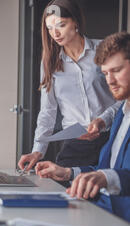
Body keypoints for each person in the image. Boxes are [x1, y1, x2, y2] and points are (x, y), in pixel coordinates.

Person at [36, 32, 130, 226]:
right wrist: (68, 172)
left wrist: (104, 177)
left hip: (121, 221)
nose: (109, 80)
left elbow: (112, 175)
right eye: (105, 73)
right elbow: (105, 169)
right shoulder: (121, 114)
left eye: (117, 71)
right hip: (105, 212)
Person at [18, 0, 122, 172]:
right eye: (49, 28)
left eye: (61, 25)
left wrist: (103, 120)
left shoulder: (104, 50)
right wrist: (37, 151)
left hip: (110, 138)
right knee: (66, 191)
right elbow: (48, 111)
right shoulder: (49, 62)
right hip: (76, 143)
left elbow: (125, 99)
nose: (55, 33)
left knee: (107, 191)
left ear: (75, 22)